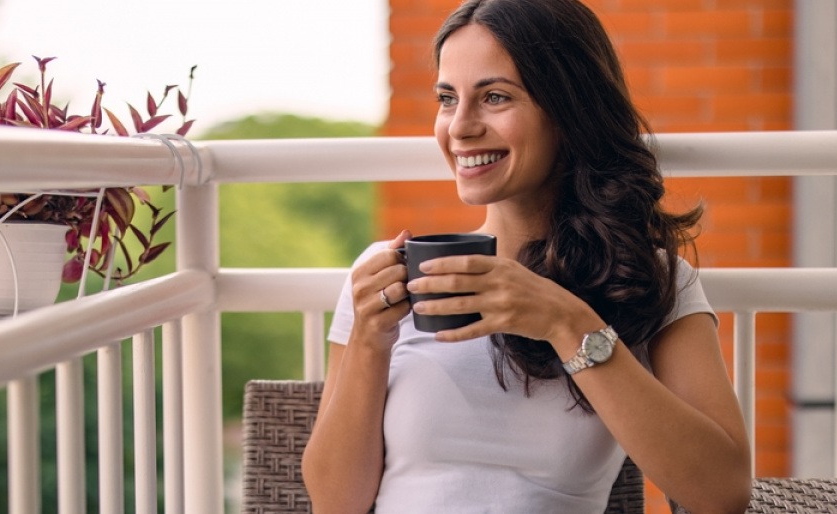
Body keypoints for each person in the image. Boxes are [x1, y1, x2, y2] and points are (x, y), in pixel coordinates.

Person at [301, 0, 752, 512]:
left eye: (494, 97)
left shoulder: (645, 277)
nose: (460, 127)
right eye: (447, 98)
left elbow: (723, 493)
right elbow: (335, 503)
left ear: (569, 110)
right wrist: (367, 340)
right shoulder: (387, 275)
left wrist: (567, 323)